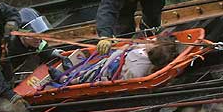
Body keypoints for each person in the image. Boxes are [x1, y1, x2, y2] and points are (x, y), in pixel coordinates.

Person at [51, 36, 180, 85]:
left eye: (153, 42)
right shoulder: (144, 48)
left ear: (152, 52)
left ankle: (66, 81)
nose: (151, 40)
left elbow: (125, 82)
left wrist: (106, 83)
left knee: (87, 77)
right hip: (110, 61)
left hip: (106, 73)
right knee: (90, 68)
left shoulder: (138, 70)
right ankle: (74, 72)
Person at [7, 7, 65, 72]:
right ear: (21, 35)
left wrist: (53, 52)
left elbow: (43, 48)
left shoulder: (37, 42)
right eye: (33, 35)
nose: (38, 38)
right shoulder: (9, 48)